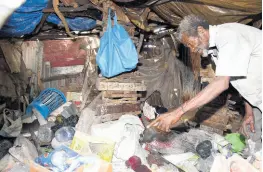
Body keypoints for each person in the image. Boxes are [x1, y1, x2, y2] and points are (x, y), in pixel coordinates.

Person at [148, 15, 262, 149]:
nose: (191, 49)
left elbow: (221, 83)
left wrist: (177, 112)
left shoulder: (229, 36)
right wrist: (249, 111)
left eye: (190, 43)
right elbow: (242, 79)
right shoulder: (215, 50)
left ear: (201, 31)